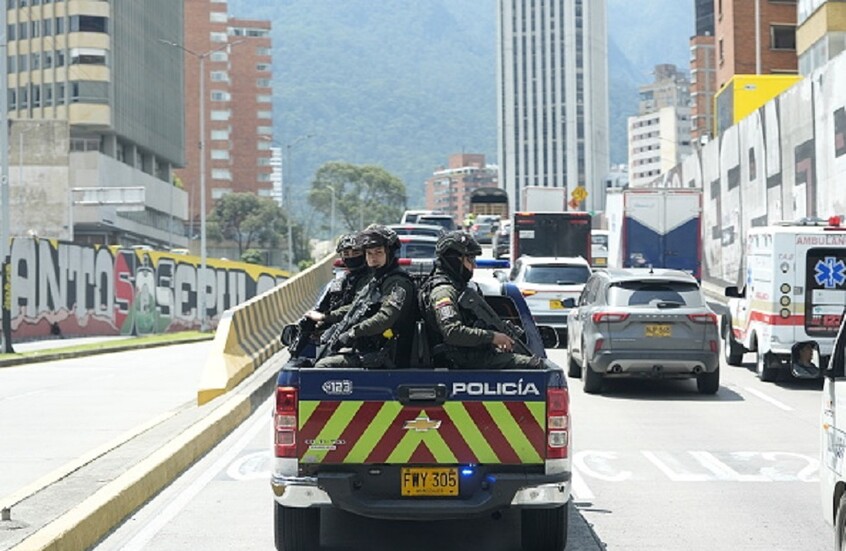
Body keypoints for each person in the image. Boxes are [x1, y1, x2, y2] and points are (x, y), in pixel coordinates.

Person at [420, 230, 543, 369]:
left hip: (470, 356)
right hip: (461, 359)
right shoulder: (444, 291)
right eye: (470, 259)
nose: (474, 265)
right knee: (534, 365)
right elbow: (452, 332)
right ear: (454, 260)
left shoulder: (458, 288)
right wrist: (492, 337)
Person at [314, 224, 416, 368]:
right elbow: (357, 305)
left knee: (322, 367)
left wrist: (352, 333)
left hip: (387, 353)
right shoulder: (377, 280)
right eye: (369, 254)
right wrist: (327, 317)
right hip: (370, 349)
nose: (373, 258)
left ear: (390, 253)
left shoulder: (398, 283)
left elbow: (385, 318)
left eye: (378, 252)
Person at [307, 233, 370, 321]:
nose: (351, 257)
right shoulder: (340, 282)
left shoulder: (372, 279)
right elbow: (320, 307)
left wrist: (325, 317)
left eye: (356, 253)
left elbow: (358, 306)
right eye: (346, 254)